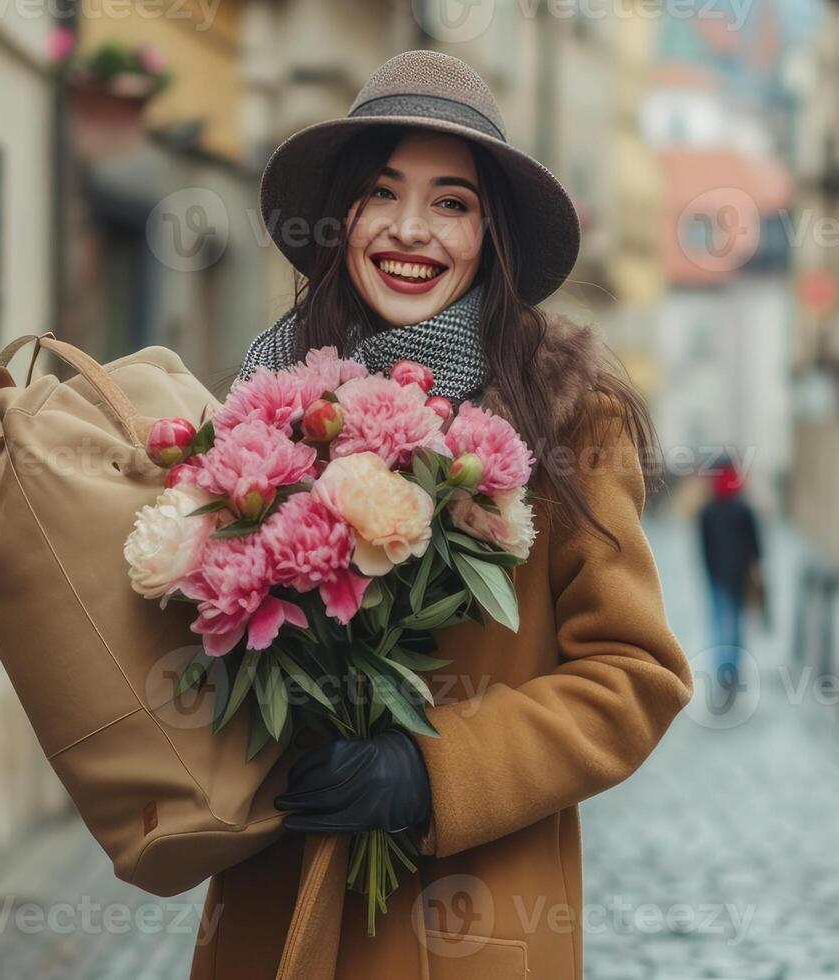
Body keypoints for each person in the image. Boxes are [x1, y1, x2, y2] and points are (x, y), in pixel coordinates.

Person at [199, 51, 692, 980]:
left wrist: (428, 771)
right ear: (343, 214)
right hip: (280, 904)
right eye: (381, 194)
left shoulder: (565, 413)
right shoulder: (270, 394)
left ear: (490, 233)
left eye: (452, 203)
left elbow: (637, 677)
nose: (410, 231)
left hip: (461, 928)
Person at [699, 457, 762, 702]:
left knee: (718, 627)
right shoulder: (743, 508)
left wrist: (709, 573)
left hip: (716, 578)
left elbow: (704, 549)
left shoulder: (709, 510)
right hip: (739, 578)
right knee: (735, 627)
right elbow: (756, 547)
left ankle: (723, 673)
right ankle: (731, 673)